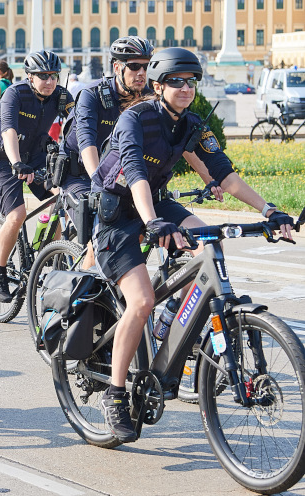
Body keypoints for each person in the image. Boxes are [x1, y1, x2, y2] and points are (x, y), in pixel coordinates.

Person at [91, 48, 294, 443]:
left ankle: (171, 326)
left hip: (157, 202)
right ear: (158, 84)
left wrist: (270, 210)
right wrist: (152, 222)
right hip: (118, 210)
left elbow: (224, 174)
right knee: (141, 300)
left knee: (208, 247)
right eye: (176, 81)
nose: (186, 88)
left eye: (191, 81)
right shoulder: (135, 117)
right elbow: (133, 168)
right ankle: (115, 395)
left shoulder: (191, 124)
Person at [0, 50, 71, 302]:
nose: (49, 81)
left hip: (35, 154)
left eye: (53, 76)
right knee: (17, 214)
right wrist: (17, 163)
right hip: (4, 156)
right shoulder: (15, 94)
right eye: (42, 76)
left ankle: (49, 254)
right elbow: (8, 129)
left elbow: (80, 122)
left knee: (63, 198)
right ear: (30, 77)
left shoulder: (59, 96)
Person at [62, 36, 155, 200]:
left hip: (116, 172)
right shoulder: (92, 95)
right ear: (117, 68)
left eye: (146, 67)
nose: (141, 73)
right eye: (134, 66)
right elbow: (86, 140)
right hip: (78, 171)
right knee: (87, 217)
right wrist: (99, 185)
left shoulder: (149, 97)